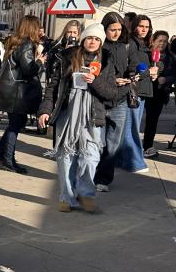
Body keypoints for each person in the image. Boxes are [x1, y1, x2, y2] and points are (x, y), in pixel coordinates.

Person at [38, 23, 117, 213]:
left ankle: (86, 194)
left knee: (91, 157)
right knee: (66, 157)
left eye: (97, 39)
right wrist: (45, 110)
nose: (93, 42)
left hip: (93, 116)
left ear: (101, 42)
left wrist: (94, 81)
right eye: (90, 38)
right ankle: (66, 197)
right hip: (67, 114)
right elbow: (53, 87)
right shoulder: (67, 57)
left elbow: (111, 93)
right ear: (83, 39)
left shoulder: (106, 62)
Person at [0, 15, 46, 174]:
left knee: (16, 123)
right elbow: (29, 69)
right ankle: (8, 160)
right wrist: (40, 62)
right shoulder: (27, 44)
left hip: (9, 90)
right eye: (38, 27)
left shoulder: (14, 41)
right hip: (16, 92)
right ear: (32, 28)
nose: (40, 30)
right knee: (15, 125)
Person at [93, 12, 132, 192]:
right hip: (101, 100)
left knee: (113, 144)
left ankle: (103, 179)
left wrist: (132, 77)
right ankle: (90, 174)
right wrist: (111, 81)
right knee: (97, 142)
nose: (116, 33)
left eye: (119, 29)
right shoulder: (98, 47)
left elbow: (129, 69)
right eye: (112, 29)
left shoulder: (124, 47)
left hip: (121, 100)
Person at [117, 14, 157, 174]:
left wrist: (156, 71)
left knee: (132, 125)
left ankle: (124, 160)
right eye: (141, 26)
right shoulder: (131, 44)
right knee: (130, 127)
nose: (144, 30)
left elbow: (150, 66)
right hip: (133, 90)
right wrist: (149, 72)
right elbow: (132, 70)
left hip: (143, 90)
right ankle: (134, 162)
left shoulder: (145, 43)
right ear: (134, 27)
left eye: (147, 27)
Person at [142, 31, 176, 157]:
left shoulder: (170, 58)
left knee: (152, 120)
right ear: (153, 41)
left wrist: (166, 79)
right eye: (160, 40)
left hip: (159, 93)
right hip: (143, 91)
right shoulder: (145, 54)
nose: (162, 43)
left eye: (165, 41)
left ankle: (148, 145)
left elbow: (174, 75)